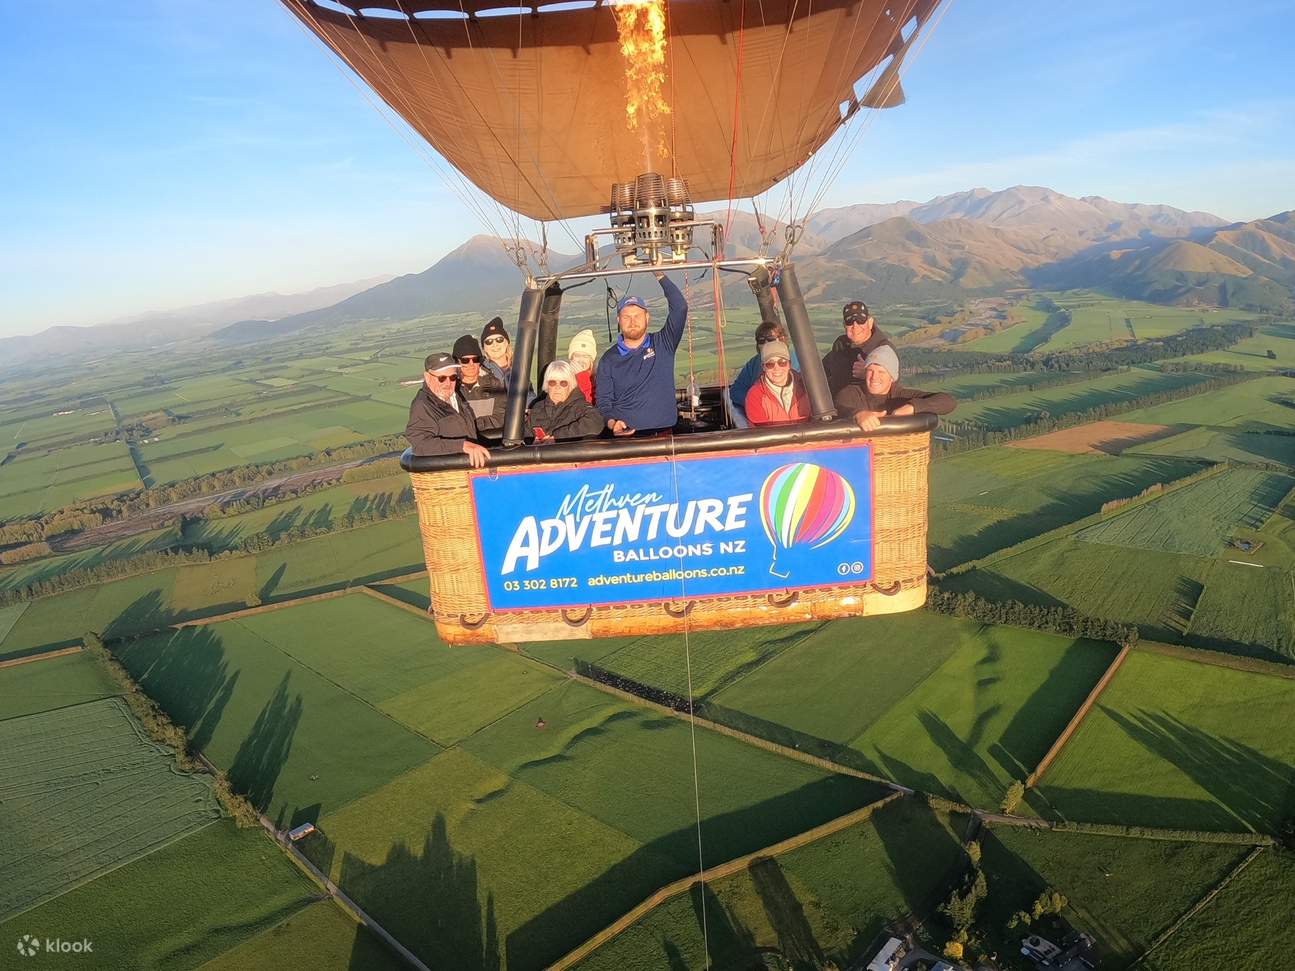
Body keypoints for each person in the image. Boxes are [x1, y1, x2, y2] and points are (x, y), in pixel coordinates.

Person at [594, 270, 687, 436]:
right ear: (618, 321)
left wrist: (660, 274)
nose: (632, 321)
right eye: (626, 316)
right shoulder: (608, 360)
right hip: (627, 438)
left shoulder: (663, 343)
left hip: (664, 437)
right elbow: (603, 403)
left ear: (647, 317)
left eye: (637, 315)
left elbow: (680, 307)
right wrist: (612, 423)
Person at [836, 345, 956, 432]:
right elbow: (839, 406)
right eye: (870, 371)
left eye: (881, 372)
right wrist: (858, 414)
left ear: (892, 377)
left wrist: (912, 407)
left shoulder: (900, 396)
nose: (874, 377)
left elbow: (948, 401)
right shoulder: (851, 393)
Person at [404, 352, 490, 467]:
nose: (448, 383)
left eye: (453, 377)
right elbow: (420, 444)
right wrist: (463, 446)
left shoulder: (455, 395)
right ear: (427, 377)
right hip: (451, 474)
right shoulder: (423, 405)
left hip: (469, 469)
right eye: (442, 378)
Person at [728, 320, 800, 427]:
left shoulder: (798, 362)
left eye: (770, 339)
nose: (777, 368)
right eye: (761, 340)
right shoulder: (754, 364)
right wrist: (757, 403)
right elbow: (735, 391)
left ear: (782, 339)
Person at [822, 300, 894, 397]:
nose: (855, 326)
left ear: (870, 322)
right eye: (850, 322)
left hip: (863, 409)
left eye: (860, 320)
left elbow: (893, 387)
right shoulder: (841, 345)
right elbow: (821, 369)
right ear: (844, 325)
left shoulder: (884, 350)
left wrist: (868, 374)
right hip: (833, 406)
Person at [527, 359, 605, 442]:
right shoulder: (537, 408)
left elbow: (596, 423)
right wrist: (532, 443)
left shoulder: (581, 407)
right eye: (552, 382)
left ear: (571, 385)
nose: (557, 387)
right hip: (539, 453)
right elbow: (525, 433)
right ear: (546, 384)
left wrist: (555, 437)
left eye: (563, 383)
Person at [744, 340, 809, 426]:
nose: (776, 368)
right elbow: (761, 434)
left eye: (782, 363)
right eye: (770, 364)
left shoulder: (807, 386)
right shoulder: (755, 396)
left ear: (789, 364)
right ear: (763, 367)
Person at [453, 334, 506, 434]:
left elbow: (502, 418)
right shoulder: (450, 389)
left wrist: (472, 425)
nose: (471, 364)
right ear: (457, 362)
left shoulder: (495, 385)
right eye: (465, 360)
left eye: (475, 359)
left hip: (492, 444)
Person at [567, 329, 598, 403]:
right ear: (571, 358)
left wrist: (582, 378)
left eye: (585, 356)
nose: (581, 361)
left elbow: (590, 407)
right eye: (577, 356)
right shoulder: (562, 379)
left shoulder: (600, 380)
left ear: (591, 360)